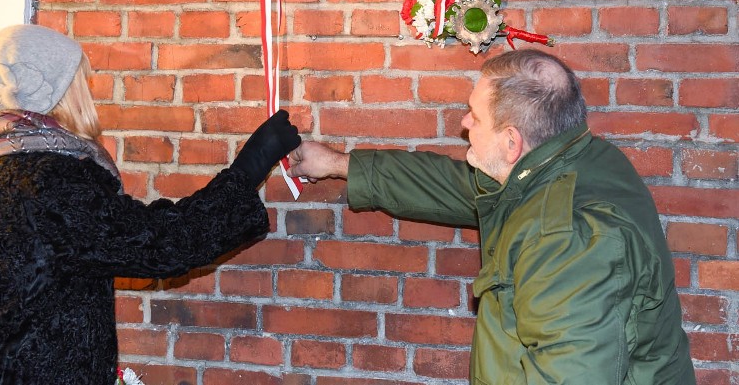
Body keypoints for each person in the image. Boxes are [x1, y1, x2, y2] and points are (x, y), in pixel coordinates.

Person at [0, 24, 300, 384]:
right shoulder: (47, 179)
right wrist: (250, 166)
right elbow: (158, 244)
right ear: (55, 91)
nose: (87, 90)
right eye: (79, 79)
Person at [288, 49, 695, 385]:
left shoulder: (568, 242)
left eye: (475, 117)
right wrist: (340, 165)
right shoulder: (570, 158)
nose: (465, 124)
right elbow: (449, 184)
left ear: (511, 141)